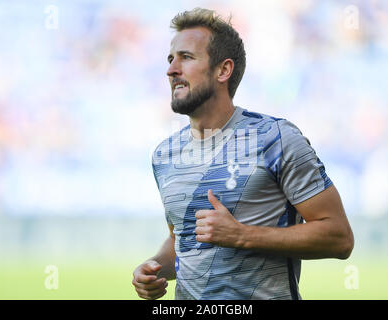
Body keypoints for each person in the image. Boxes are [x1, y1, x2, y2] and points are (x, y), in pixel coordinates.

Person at [132, 8, 354, 300]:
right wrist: (156, 268)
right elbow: (183, 239)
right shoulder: (164, 156)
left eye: (186, 57)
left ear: (223, 70)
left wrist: (242, 236)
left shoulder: (276, 138)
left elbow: (339, 237)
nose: (171, 69)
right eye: (171, 59)